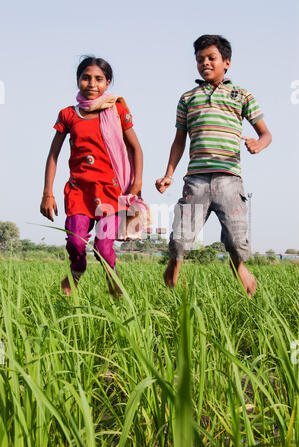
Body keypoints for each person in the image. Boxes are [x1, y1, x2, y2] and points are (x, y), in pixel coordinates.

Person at [156, 35, 272, 297]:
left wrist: (258, 144)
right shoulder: (188, 98)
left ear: (226, 62)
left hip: (229, 179)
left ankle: (239, 267)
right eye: (200, 59)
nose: (205, 63)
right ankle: (175, 263)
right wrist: (168, 175)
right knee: (180, 236)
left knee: (235, 237)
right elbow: (178, 141)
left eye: (211, 58)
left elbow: (266, 134)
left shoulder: (241, 95)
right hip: (195, 179)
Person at [40, 56, 144, 296]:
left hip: (111, 192)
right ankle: (77, 268)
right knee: (76, 243)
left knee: (103, 247)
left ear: (108, 83)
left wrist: (136, 184)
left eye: (99, 79)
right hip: (79, 193)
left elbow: (136, 147)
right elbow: (53, 155)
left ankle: (116, 289)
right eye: (86, 78)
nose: (92, 83)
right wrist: (48, 193)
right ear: (78, 80)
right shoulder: (68, 114)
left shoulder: (116, 109)